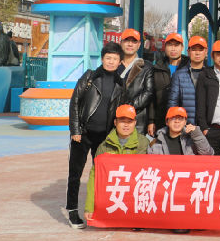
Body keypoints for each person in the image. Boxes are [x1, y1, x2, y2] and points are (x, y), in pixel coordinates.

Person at [65, 41, 126, 229]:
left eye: (115, 59)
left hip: (104, 137)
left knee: (101, 174)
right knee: (75, 174)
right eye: (108, 58)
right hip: (83, 134)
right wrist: (75, 130)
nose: (111, 62)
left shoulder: (120, 83)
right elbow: (75, 102)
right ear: (102, 59)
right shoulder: (90, 77)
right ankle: (72, 210)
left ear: (119, 62)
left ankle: (98, 209)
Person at [84, 104, 150, 216]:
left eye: (129, 121)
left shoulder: (143, 143)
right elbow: (94, 176)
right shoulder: (104, 146)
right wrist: (89, 207)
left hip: (134, 200)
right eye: (122, 121)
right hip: (112, 199)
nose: (126, 125)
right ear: (115, 122)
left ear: (135, 123)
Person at [149, 33, 187, 137]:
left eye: (176, 45)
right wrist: (151, 121)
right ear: (165, 47)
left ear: (182, 47)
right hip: (162, 119)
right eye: (170, 45)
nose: (173, 48)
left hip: (184, 121)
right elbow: (152, 96)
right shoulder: (157, 68)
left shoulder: (189, 67)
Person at [166, 35, 208, 125]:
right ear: (188, 52)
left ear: (206, 52)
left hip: (205, 127)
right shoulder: (178, 75)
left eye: (200, 50)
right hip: (184, 126)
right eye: (194, 50)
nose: (197, 53)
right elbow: (173, 103)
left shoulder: (211, 75)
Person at [119, 28, 154, 136]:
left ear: (139, 45)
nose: (130, 44)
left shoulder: (146, 66)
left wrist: (127, 108)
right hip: (114, 119)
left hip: (137, 119)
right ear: (121, 43)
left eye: (134, 41)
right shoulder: (114, 64)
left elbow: (148, 92)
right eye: (127, 41)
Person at [149, 106, 214, 156]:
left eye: (180, 119)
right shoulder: (156, 141)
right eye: (173, 118)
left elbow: (208, 154)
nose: (177, 121)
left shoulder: (192, 138)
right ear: (167, 122)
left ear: (185, 122)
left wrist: (197, 135)